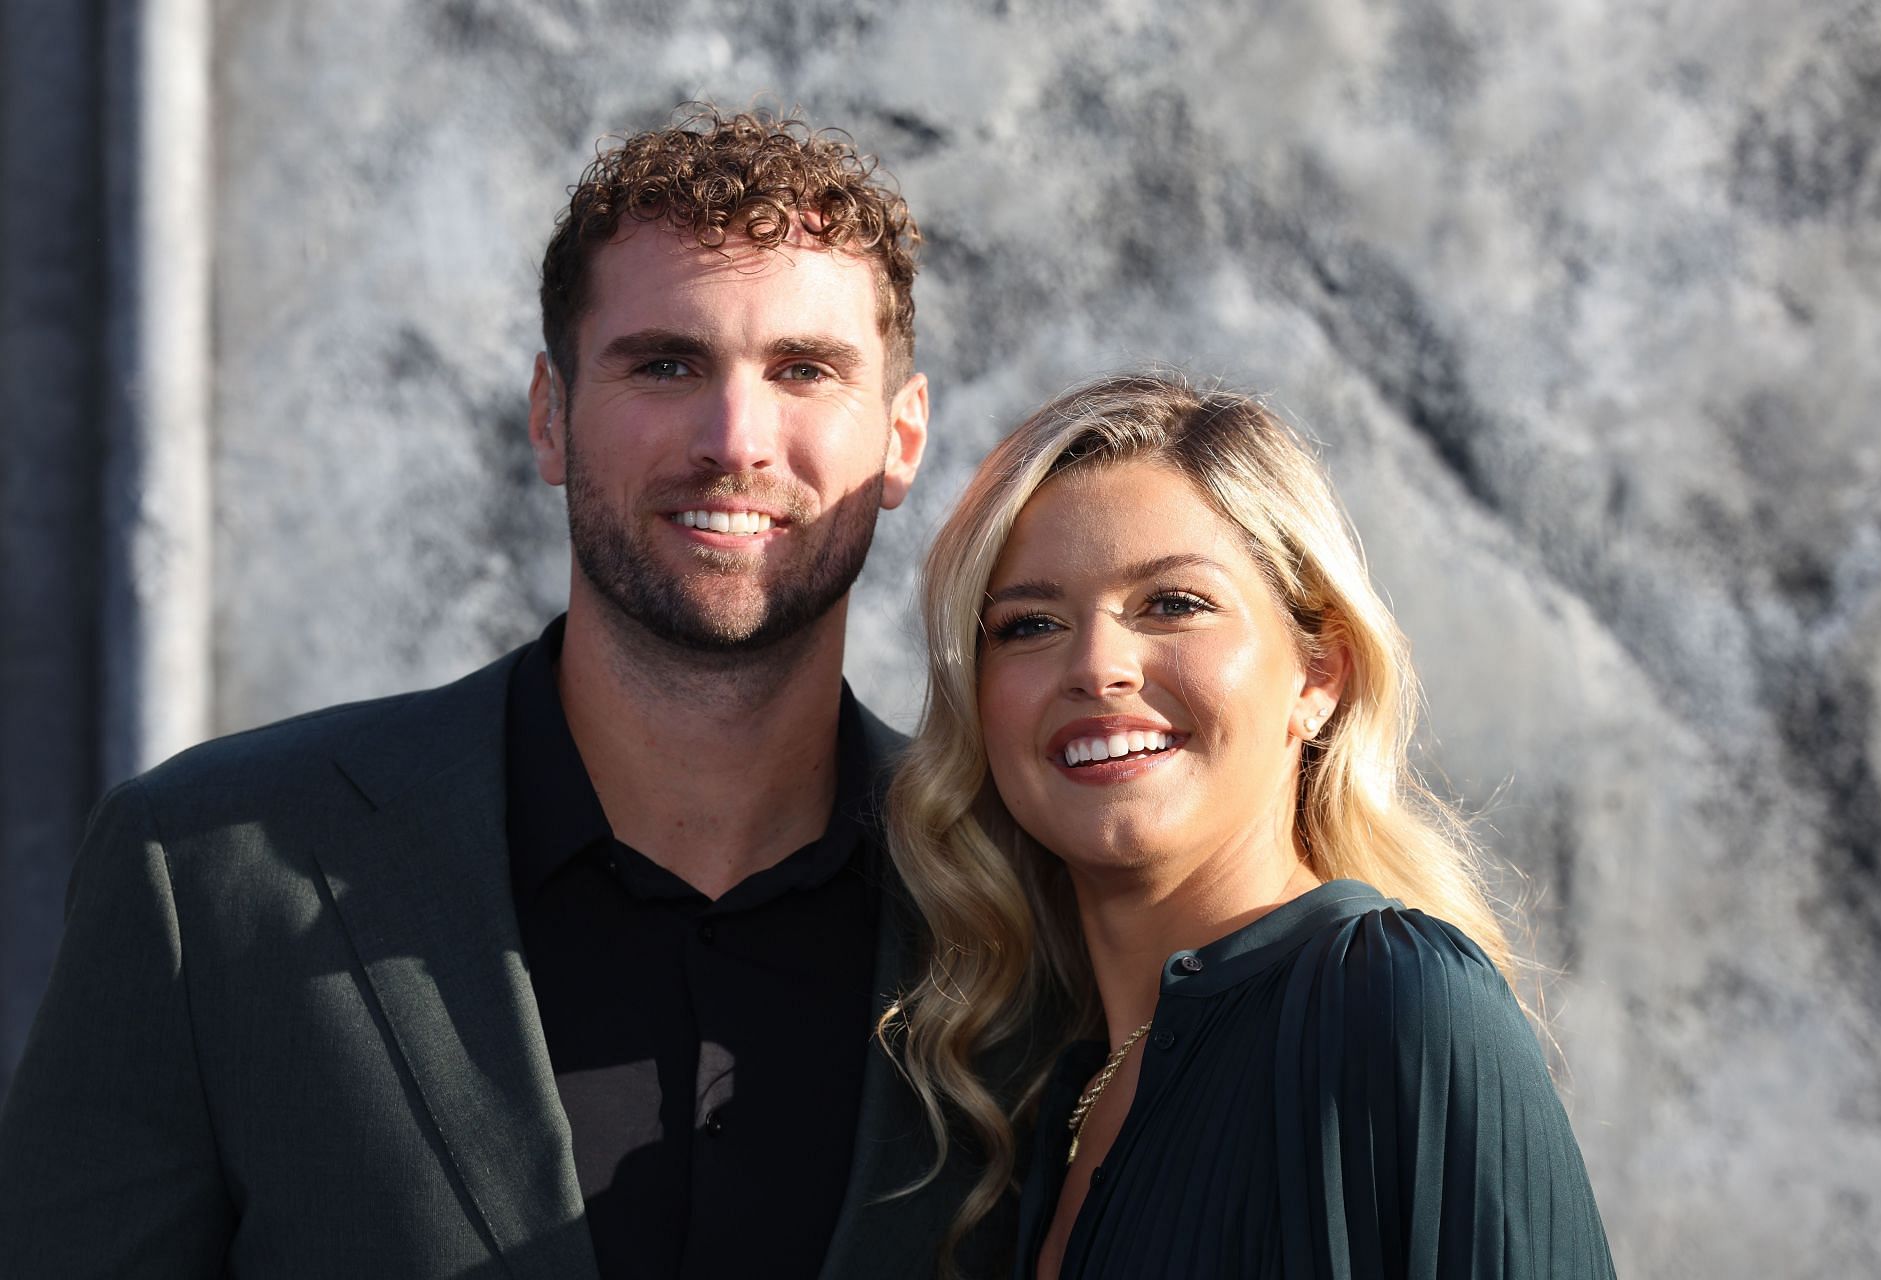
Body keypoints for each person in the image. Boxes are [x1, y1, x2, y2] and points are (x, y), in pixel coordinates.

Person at [0, 106, 1020, 1279]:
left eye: (804, 369)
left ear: (901, 438)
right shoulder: (208, 876)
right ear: (550, 416)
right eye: (666, 363)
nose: (735, 436)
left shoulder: (1012, 906)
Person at [882, 373, 1616, 1278]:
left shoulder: (1395, 1004)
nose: (1098, 666)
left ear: (1320, 675)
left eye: (1173, 603)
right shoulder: (1060, 1093)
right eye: (1030, 624)